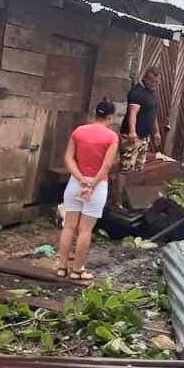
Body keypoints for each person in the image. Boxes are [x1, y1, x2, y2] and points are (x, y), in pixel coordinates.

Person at [57, 97, 119, 283]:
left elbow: (68, 158)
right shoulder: (111, 137)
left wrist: (81, 180)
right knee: (85, 230)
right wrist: (91, 185)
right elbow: (107, 166)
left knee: (68, 226)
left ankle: (61, 268)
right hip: (97, 185)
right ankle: (77, 270)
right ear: (110, 117)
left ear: (95, 113)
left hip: (76, 181)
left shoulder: (79, 131)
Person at [113, 66, 162, 207]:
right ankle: (118, 200)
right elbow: (133, 113)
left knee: (139, 168)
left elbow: (153, 115)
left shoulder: (151, 94)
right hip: (132, 137)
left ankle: (132, 199)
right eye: (152, 82)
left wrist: (156, 132)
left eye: (157, 82)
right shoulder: (137, 93)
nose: (155, 85)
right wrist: (132, 132)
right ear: (145, 79)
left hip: (145, 137)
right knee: (126, 169)